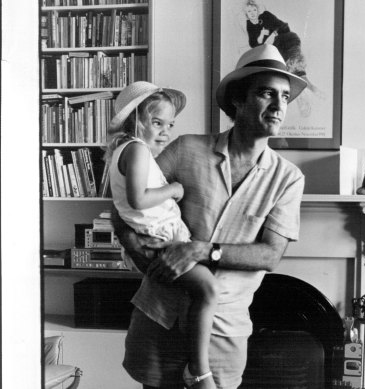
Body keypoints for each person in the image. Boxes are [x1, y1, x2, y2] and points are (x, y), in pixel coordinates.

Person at [113, 44, 307, 389]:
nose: (279, 106)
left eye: (285, 97)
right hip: (160, 318)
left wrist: (201, 250)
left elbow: (271, 254)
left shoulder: (288, 178)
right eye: (266, 93)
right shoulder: (185, 148)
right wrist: (143, 257)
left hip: (224, 332)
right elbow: (124, 204)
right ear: (238, 100)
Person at [105, 81, 218, 389]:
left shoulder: (125, 151)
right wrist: (174, 189)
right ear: (136, 119)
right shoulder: (138, 150)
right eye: (157, 123)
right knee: (208, 290)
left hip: (161, 234)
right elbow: (138, 199)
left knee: (196, 291)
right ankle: (199, 371)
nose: (166, 132)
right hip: (157, 238)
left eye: (169, 124)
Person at [242, 0, 325, 117]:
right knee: (289, 73)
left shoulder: (265, 15)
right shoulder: (250, 26)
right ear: (246, 14)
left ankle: (307, 93)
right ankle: (306, 93)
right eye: (249, 11)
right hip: (277, 49)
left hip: (288, 40)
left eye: (254, 10)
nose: (252, 13)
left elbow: (283, 26)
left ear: (258, 10)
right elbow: (254, 44)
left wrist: (268, 36)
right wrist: (263, 34)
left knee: (295, 64)